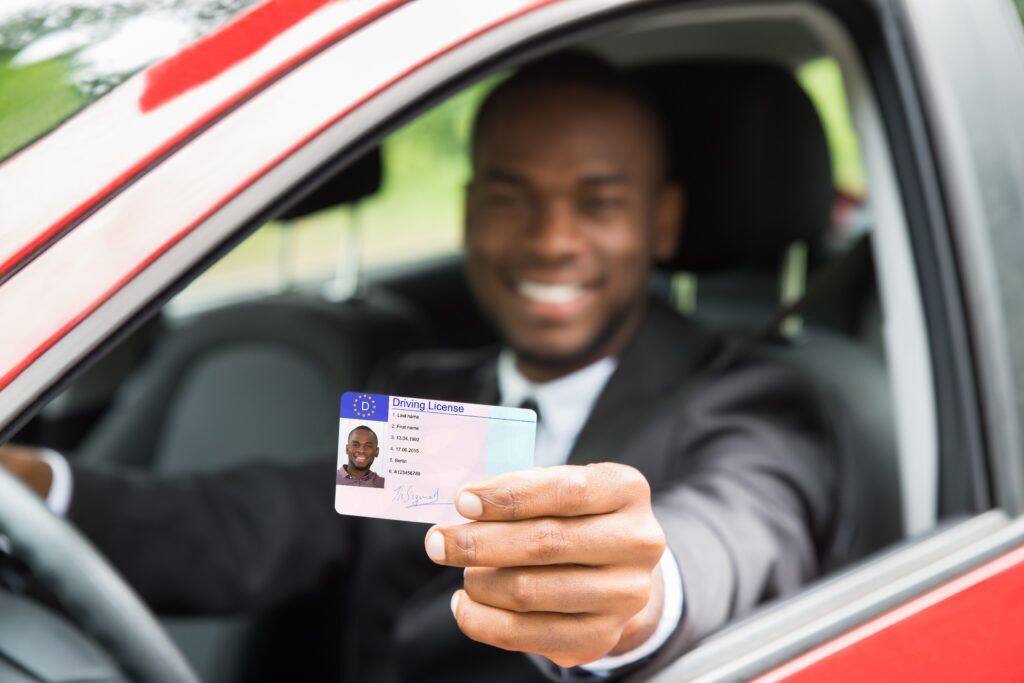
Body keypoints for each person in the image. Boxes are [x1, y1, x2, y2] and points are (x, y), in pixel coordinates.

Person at [0, 52, 835, 681]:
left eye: (598, 202)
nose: (550, 239)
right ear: (470, 211)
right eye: (512, 196)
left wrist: (639, 596)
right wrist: (36, 485)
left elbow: (732, 534)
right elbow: (259, 523)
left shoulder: (752, 400)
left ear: (662, 221)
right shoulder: (431, 390)